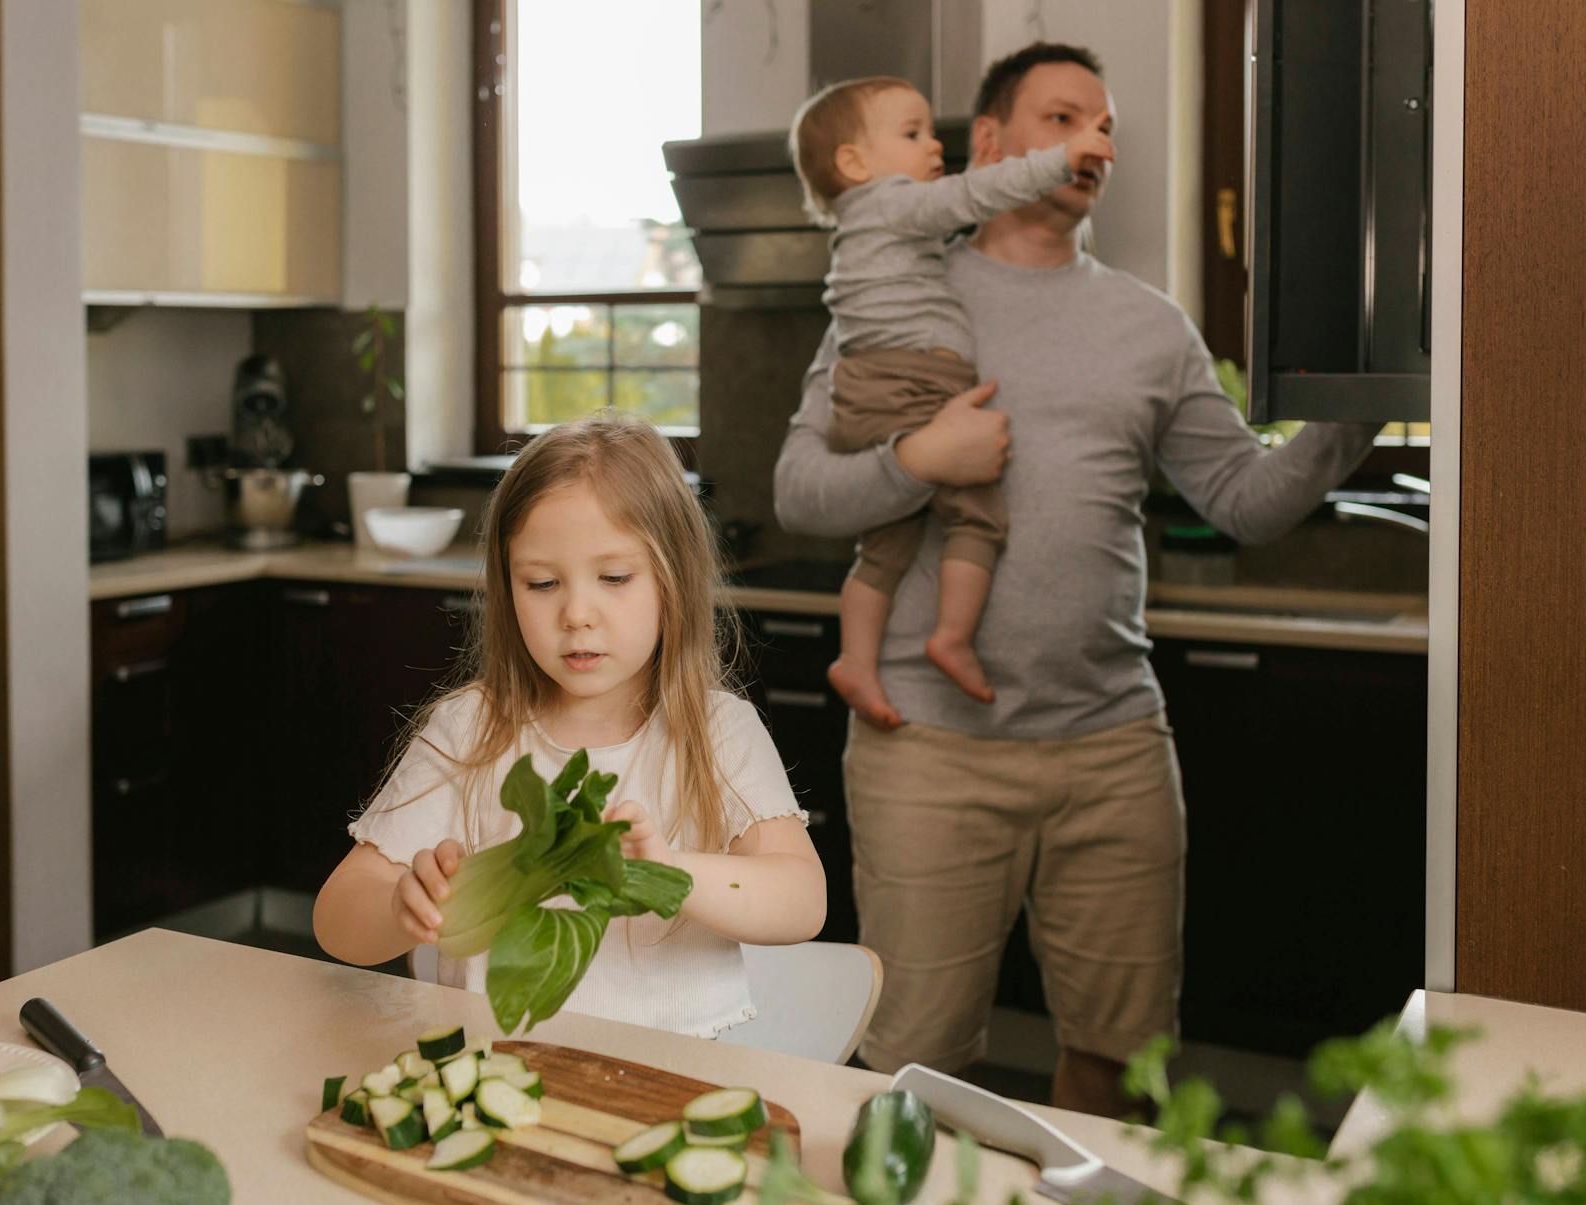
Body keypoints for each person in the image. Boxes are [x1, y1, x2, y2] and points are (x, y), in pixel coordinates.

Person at [773, 43, 1380, 1115]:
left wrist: (1355, 406)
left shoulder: (1149, 326)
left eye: (1104, 127)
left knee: (1122, 1064)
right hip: (928, 750)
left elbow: (1242, 499)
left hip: (1112, 748)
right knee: (908, 1065)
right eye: (1063, 119)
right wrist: (917, 461)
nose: (1092, 144)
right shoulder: (903, 288)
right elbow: (798, 493)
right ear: (991, 147)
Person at [314, 418, 828, 1037]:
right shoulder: (471, 729)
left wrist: (669, 872)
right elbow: (337, 919)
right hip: (499, 1068)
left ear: (674, 581)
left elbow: (802, 901)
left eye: (614, 579)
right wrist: (401, 907)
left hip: (679, 1076)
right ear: (507, 588)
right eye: (542, 583)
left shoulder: (717, 732)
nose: (577, 614)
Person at [787, 75, 1114, 729]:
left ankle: (856, 658)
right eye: (912, 134)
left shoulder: (872, 224)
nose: (935, 145)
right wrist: (1061, 157)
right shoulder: (894, 202)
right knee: (978, 516)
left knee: (885, 545)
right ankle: (953, 637)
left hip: (872, 386)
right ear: (854, 163)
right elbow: (976, 192)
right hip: (909, 382)